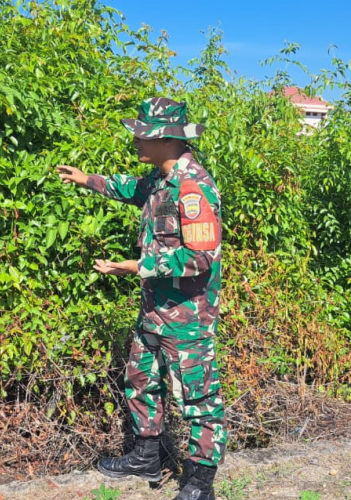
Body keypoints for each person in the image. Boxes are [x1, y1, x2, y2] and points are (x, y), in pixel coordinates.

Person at [57, 98, 227, 500]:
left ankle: (200, 483)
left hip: (186, 317)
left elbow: (201, 257)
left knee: (198, 397)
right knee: (140, 379)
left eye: (142, 134)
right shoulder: (158, 179)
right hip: (154, 311)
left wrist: (138, 266)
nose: (135, 140)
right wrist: (87, 180)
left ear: (164, 140)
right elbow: (131, 188)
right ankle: (145, 457)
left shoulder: (193, 187)